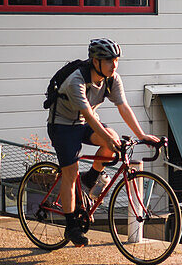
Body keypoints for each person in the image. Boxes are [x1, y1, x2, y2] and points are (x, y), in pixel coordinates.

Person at [46, 38, 157, 247]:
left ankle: (90, 179)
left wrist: (142, 135)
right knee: (70, 172)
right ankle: (71, 226)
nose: (114, 65)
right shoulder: (75, 81)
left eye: (116, 60)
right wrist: (108, 139)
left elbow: (123, 106)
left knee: (113, 138)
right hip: (62, 125)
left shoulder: (112, 79)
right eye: (108, 61)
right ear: (95, 61)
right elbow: (88, 115)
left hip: (85, 123)